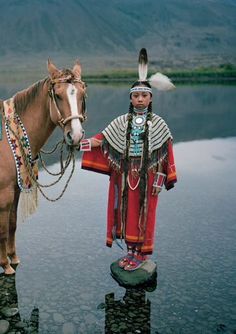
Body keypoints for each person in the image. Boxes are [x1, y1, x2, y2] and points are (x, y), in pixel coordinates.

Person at [80, 49, 177, 271]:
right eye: (136, 95)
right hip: (124, 177)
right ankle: (130, 252)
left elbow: (166, 153)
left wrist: (160, 179)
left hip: (149, 178)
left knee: (144, 213)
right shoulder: (121, 121)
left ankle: (142, 255)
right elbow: (102, 139)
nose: (140, 99)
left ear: (151, 97)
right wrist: (80, 144)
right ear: (130, 98)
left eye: (144, 95)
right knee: (124, 212)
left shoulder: (160, 124)